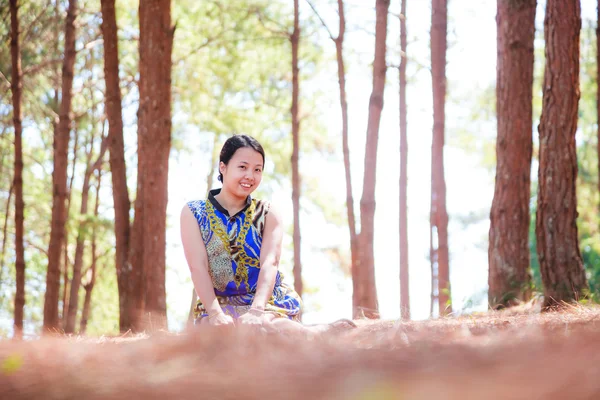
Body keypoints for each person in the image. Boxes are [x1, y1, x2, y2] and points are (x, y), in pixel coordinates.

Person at [180, 134, 355, 332]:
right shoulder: (195, 212)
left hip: (264, 302)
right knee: (212, 336)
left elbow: (269, 262)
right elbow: (198, 266)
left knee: (266, 330)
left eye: (257, 170)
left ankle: (320, 332)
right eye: (242, 167)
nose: (250, 176)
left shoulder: (267, 213)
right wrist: (215, 314)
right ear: (223, 167)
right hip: (216, 304)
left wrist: (256, 311)